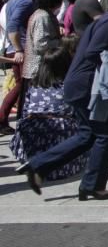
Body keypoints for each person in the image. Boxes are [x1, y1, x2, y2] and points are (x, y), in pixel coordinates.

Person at [17, 0, 108, 199]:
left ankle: (40, 166)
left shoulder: (107, 19)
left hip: (81, 84)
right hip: (89, 86)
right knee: (107, 133)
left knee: (88, 135)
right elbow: (94, 52)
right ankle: (93, 185)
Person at [10, 38, 88, 180]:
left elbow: (26, 109)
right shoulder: (68, 85)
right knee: (84, 132)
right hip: (60, 128)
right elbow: (75, 111)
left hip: (31, 128)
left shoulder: (34, 84)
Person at [1, 0, 38, 135]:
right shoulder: (24, 2)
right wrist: (18, 49)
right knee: (22, 86)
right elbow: (13, 26)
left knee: (22, 86)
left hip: (17, 47)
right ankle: (3, 119)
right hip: (21, 49)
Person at [21, 0, 63, 115]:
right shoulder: (42, 17)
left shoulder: (42, 14)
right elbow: (41, 44)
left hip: (38, 69)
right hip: (38, 70)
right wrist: (61, 42)